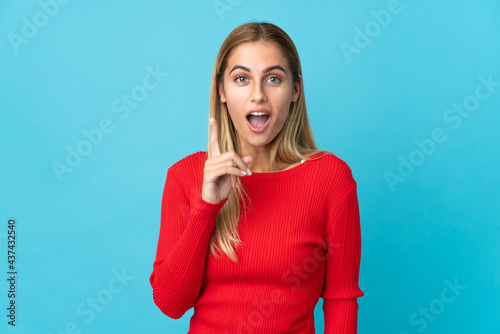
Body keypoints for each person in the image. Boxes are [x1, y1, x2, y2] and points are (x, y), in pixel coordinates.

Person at [149, 21, 364, 333]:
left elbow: (341, 299)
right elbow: (171, 304)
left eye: (273, 79)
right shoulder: (185, 176)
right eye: (241, 79)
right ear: (221, 90)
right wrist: (207, 206)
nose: (258, 95)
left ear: (295, 90)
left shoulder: (331, 179)